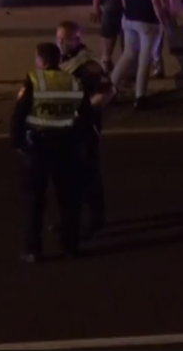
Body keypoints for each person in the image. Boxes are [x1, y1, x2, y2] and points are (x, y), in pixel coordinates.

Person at [10, 43, 94, 263]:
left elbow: (19, 115)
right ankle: (70, 247)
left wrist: (18, 143)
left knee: (34, 201)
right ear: (58, 60)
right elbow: (86, 117)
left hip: (37, 148)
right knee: (69, 201)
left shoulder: (34, 81)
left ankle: (32, 250)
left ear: (40, 60)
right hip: (66, 147)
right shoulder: (74, 82)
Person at [56, 21, 116, 239]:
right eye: (58, 38)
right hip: (64, 126)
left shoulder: (87, 64)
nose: (59, 42)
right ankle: (70, 219)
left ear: (76, 39)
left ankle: (95, 218)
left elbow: (108, 91)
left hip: (83, 127)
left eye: (63, 39)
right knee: (67, 176)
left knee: (88, 173)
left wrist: (84, 110)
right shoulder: (61, 60)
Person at [109, 0, 173, 110]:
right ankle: (140, 97)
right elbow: (157, 4)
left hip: (129, 20)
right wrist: (166, 24)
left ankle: (109, 90)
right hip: (148, 23)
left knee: (128, 55)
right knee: (145, 60)